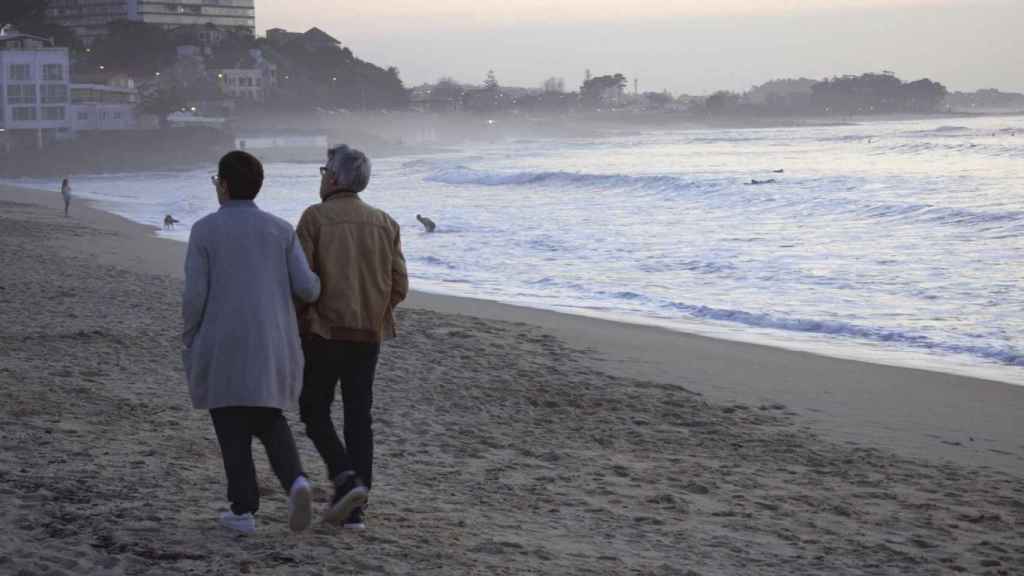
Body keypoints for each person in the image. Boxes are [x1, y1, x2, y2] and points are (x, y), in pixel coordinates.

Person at [182, 151, 321, 534]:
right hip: (272, 338)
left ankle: (243, 511)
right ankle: (296, 481)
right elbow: (307, 289)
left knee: (229, 421)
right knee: (268, 415)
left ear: (224, 185)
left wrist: (189, 334)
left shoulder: (204, 230)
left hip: (222, 338)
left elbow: (195, 295)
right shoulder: (280, 230)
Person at [296, 144, 408, 529]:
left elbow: (302, 282)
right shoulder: (385, 222)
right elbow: (399, 285)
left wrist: (304, 319)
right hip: (368, 334)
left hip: (325, 331)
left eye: (324, 170)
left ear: (334, 177)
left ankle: (345, 477)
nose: (322, 176)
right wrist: (377, 313)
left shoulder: (314, 218)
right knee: (359, 417)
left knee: (313, 410)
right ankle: (355, 511)